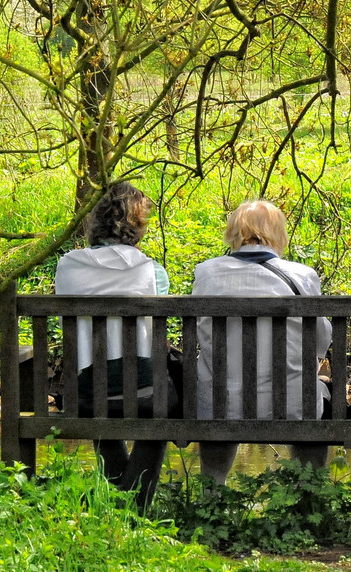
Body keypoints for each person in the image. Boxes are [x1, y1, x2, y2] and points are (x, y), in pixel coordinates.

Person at [190, 200, 333, 486]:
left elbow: (199, 330)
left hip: (221, 405)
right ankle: (311, 494)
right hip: (292, 406)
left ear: (234, 232)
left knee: (219, 391)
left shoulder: (206, 273)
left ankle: (212, 494)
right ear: (278, 233)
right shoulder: (303, 276)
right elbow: (321, 338)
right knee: (314, 393)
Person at [52, 181, 176, 505]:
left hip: (87, 392)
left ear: (98, 221)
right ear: (138, 225)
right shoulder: (150, 270)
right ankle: (133, 507)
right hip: (145, 391)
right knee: (165, 408)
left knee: (103, 399)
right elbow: (158, 333)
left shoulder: (68, 265)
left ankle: (120, 502)